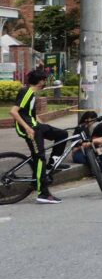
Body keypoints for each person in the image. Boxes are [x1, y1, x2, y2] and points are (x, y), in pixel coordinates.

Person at [11, 70, 69, 204]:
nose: (45, 82)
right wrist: (27, 128)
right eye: (44, 80)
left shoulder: (31, 93)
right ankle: (43, 193)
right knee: (39, 159)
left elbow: (31, 114)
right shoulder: (27, 92)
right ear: (41, 81)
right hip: (29, 129)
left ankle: (52, 164)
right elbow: (13, 111)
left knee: (62, 134)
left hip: (35, 126)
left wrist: (45, 126)